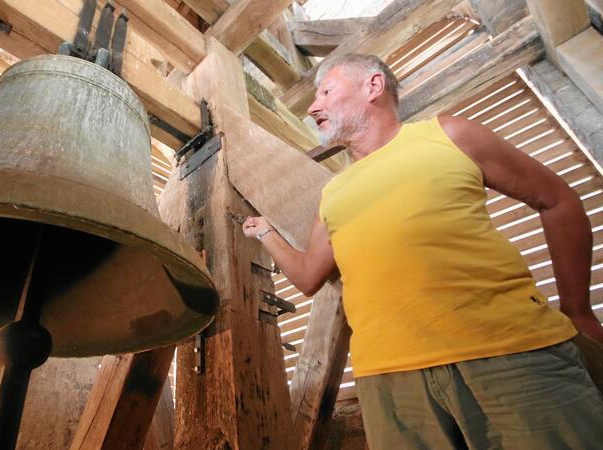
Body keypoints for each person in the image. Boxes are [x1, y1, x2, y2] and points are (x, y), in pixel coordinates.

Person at [242, 53, 603, 449]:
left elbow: (559, 201)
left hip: (511, 355)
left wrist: (578, 309)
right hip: (390, 386)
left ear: (373, 87)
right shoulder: (333, 194)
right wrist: (266, 233)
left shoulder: (450, 135)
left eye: (326, 91)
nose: (313, 106)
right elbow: (309, 275)